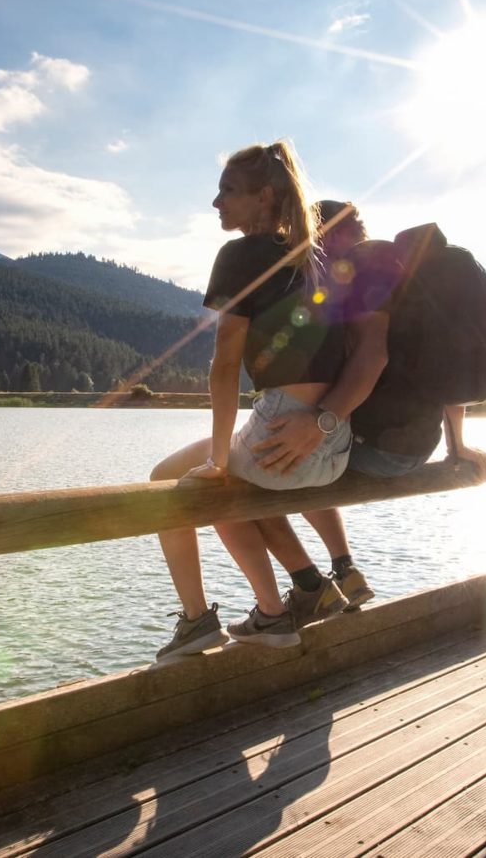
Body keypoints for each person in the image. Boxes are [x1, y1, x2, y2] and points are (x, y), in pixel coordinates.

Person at [150, 142, 354, 661]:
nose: (216, 203)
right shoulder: (313, 258)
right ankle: (281, 604)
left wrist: (220, 461)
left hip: (281, 434)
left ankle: (205, 620)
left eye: (227, 192)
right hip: (330, 444)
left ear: (264, 196)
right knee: (225, 478)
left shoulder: (241, 256)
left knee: (167, 482)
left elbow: (224, 367)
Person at [247, 200, 486, 608]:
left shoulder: (358, 274)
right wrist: (458, 445)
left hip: (376, 445)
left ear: (322, 235)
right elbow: (446, 363)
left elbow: (372, 358)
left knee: (254, 470)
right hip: (419, 444)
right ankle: (345, 569)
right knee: (297, 455)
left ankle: (309, 588)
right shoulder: (408, 273)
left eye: (303, 238)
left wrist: (321, 422)